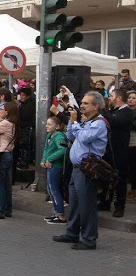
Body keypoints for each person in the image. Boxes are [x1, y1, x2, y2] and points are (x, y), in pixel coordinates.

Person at [53, 91, 108, 250]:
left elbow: (84, 138)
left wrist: (76, 122)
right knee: (75, 204)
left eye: (85, 103)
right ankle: (72, 233)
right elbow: (70, 136)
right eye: (82, 103)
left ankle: (89, 239)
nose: (82, 105)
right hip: (77, 169)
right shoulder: (86, 121)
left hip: (87, 169)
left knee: (87, 205)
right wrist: (72, 121)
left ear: (96, 106)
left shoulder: (99, 123)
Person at [98, 89, 133, 217]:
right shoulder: (113, 111)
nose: (110, 98)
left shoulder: (127, 112)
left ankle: (119, 206)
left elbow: (115, 121)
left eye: (111, 96)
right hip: (109, 150)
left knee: (120, 179)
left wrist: (103, 111)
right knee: (106, 177)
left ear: (118, 98)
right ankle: (105, 202)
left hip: (120, 151)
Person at [41, 116, 68, 224]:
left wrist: (50, 159)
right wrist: (44, 159)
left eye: (49, 124)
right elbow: (46, 149)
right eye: (46, 124)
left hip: (56, 166)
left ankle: (60, 214)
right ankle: (56, 212)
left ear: (57, 126)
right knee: (51, 190)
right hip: (50, 166)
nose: (46, 126)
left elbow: (62, 150)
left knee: (54, 189)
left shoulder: (59, 136)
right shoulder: (49, 135)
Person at [17, 87, 36, 169]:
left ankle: (25, 162)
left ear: (28, 96)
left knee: (26, 145)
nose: (21, 97)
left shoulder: (29, 105)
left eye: (23, 95)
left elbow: (25, 115)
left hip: (27, 127)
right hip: (24, 126)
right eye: (20, 95)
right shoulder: (22, 104)